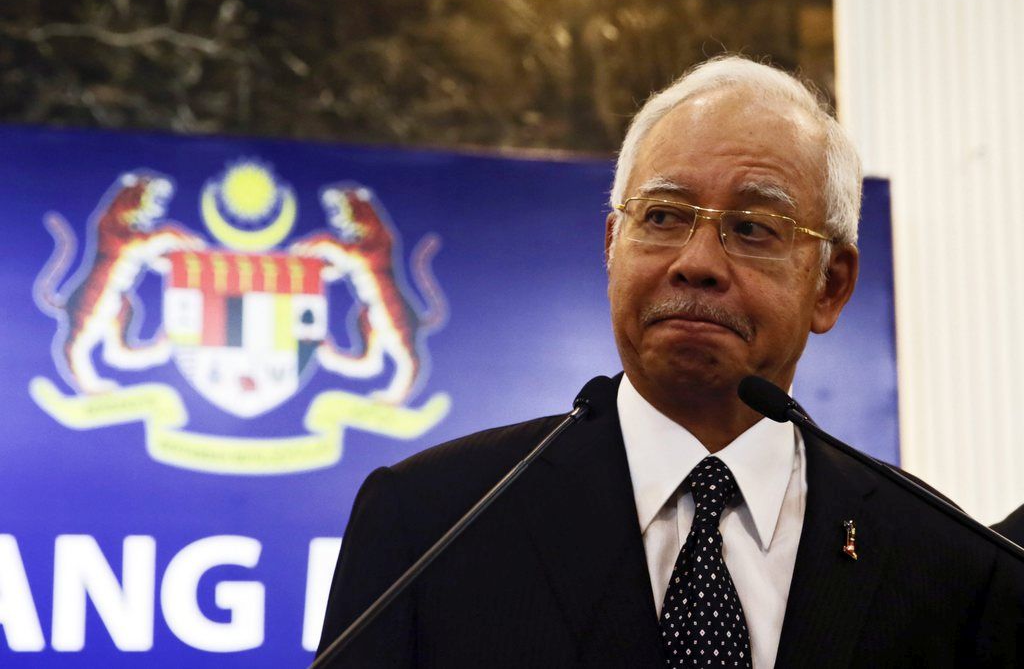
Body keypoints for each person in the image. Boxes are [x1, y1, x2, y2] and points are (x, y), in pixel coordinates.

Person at [316, 56, 1023, 667]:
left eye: (751, 228)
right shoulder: (430, 522)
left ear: (831, 284)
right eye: (661, 216)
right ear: (610, 248)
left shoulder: (946, 562)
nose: (696, 262)